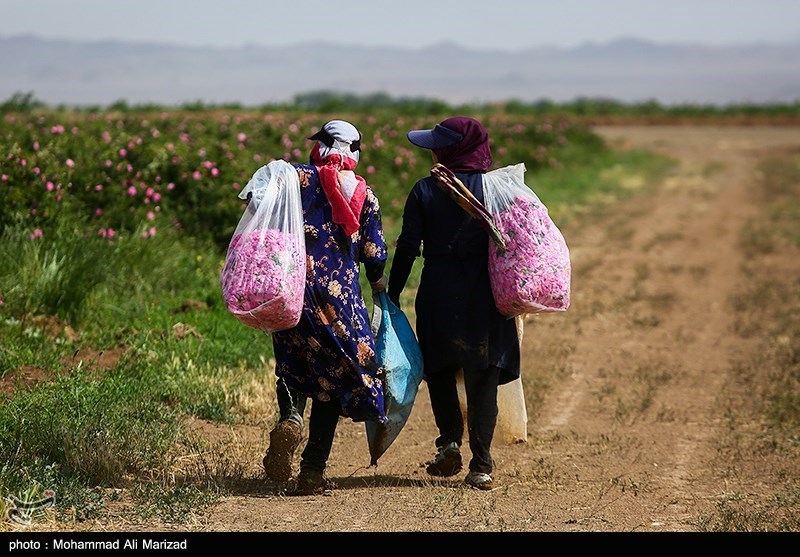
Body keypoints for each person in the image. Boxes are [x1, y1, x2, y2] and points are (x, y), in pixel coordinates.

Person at [387, 116, 520, 491]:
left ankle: (448, 443)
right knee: (484, 376)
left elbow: (409, 247)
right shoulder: (495, 190)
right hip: (485, 294)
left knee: (441, 371)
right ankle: (481, 465)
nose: (432, 151)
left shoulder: (425, 190)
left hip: (439, 291)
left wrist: (391, 293)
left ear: (454, 148)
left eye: (438, 145)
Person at [262, 119, 389, 495]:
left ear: (321, 147)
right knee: (330, 383)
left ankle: (291, 417)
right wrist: (381, 286)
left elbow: (261, 208)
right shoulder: (365, 195)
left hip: (291, 290)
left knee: (292, 363)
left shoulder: (293, 179)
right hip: (341, 301)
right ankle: (312, 472)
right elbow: (375, 255)